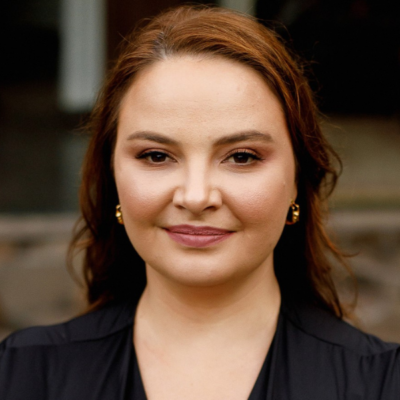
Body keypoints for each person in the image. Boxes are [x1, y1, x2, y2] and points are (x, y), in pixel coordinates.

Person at [0, 5, 399, 400]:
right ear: (112, 175)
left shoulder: (381, 384)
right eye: (156, 156)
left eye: (241, 156)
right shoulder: (20, 375)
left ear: (297, 179)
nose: (195, 197)